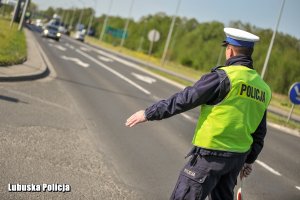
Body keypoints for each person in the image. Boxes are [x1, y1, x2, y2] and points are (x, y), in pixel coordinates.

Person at [125, 27, 272, 200]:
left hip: (210, 156)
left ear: (230, 51)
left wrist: (149, 113)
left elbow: (185, 99)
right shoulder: (263, 89)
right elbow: (260, 131)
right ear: (249, 53)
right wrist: (249, 160)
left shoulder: (223, 77)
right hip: (236, 159)